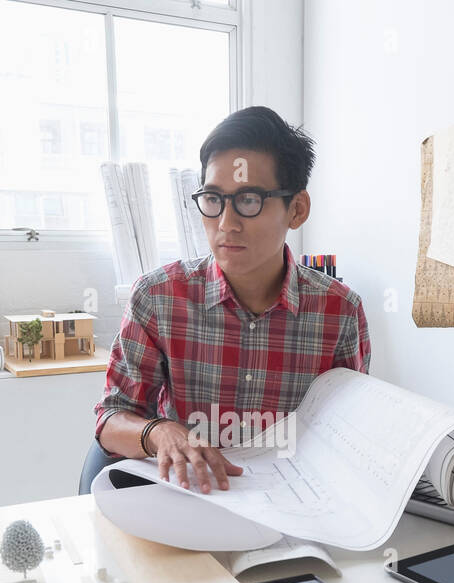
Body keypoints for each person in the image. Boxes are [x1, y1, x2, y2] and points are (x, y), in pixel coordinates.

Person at [91, 106, 371, 494]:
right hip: (187, 496)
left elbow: (344, 434)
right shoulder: (158, 297)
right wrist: (161, 433)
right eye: (213, 199)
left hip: (291, 504)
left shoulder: (340, 312)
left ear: (297, 209)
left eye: (250, 200)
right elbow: (111, 419)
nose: (226, 223)